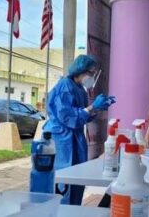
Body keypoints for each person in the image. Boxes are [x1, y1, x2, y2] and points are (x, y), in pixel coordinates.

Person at [43, 55, 116, 205]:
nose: (92, 77)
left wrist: (96, 109)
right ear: (80, 70)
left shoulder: (80, 90)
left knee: (77, 178)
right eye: (90, 73)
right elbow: (67, 117)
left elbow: (82, 116)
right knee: (63, 180)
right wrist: (92, 107)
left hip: (74, 137)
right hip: (61, 138)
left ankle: (74, 210)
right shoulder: (65, 86)